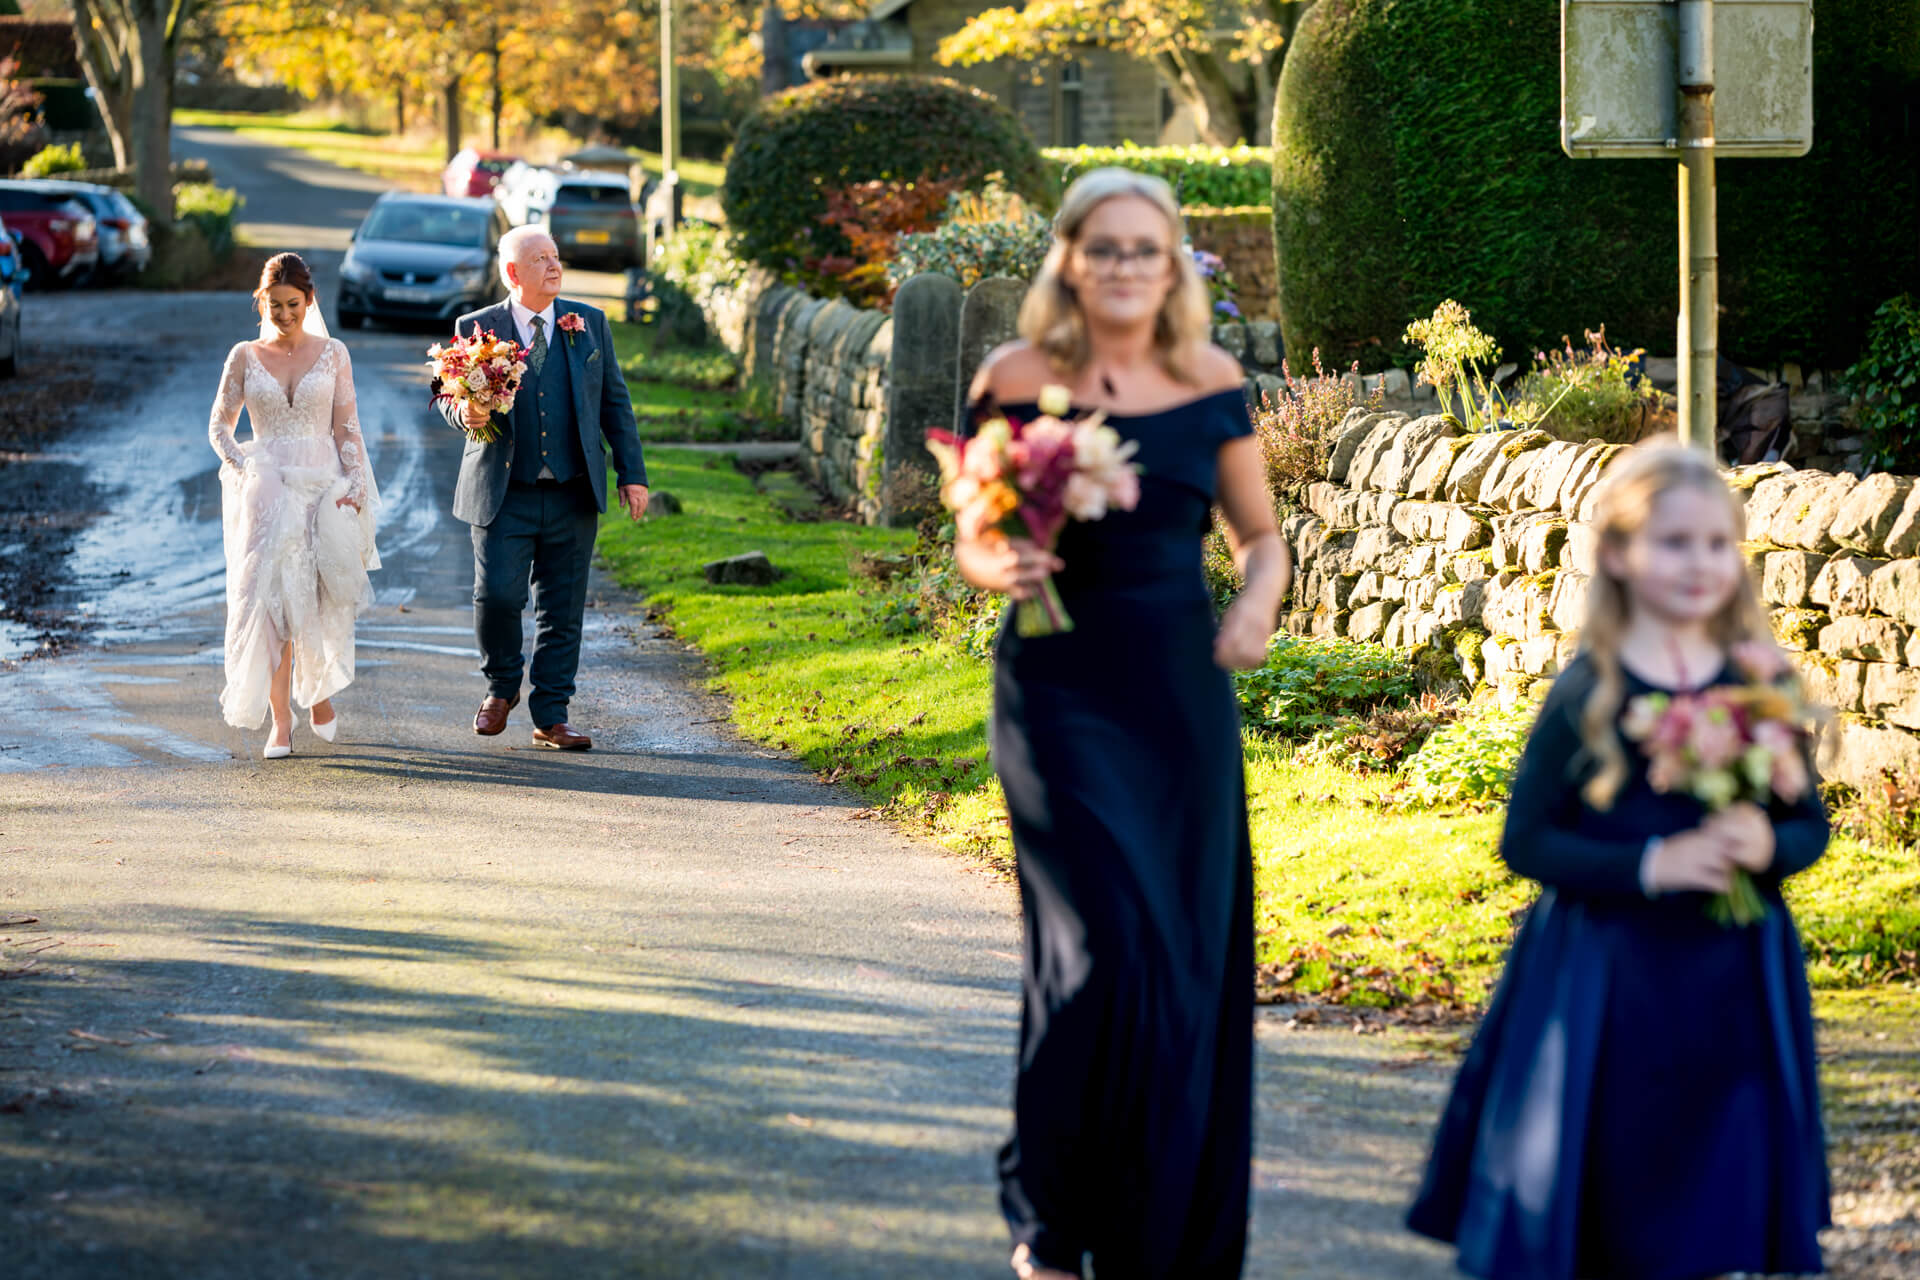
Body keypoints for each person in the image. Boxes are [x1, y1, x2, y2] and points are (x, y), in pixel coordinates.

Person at [956, 168, 1293, 1279]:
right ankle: (1052, 1221)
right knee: (1096, 949)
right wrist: (999, 558)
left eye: (1144, 249)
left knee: (1181, 957)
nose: (1123, 266)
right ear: (1069, 258)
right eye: (1103, 247)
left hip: (1177, 696)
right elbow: (973, 534)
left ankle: (1162, 1230)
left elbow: (1260, 536)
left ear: (1174, 264)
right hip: (1056, 688)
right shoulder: (1014, 378)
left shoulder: (1211, 380)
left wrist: (1254, 606)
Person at [1407, 440, 1830, 1279]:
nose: (1700, 563)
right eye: (1674, 543)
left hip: (1732, 974)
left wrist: (1769, 846)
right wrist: (1650, 865)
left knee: (1717, 1180)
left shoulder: (1759, 681)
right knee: (1614, 1178)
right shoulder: (1590, 691)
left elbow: (1807, 824)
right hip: (1608, 978)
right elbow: (1526, 840)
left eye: (1717, 543)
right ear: (1618, 553)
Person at [441, 226, 649, 750]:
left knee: (562, 608)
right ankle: (501, 687)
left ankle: (552, 715)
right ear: (513, 273)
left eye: (556, 256)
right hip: (502, 491)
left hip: (573, 492)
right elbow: (446, 391)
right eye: (540, 259)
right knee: (497, 596)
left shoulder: (590, 324)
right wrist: (464, 409)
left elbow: (614, 404)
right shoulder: (476, 326)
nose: (554, 266)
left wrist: (633, 473)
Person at [208, 252, 380, 759]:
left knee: (319, 597)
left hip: (321, 484)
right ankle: (280, 723)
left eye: (294, 305)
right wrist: (242, 466)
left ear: (310, 301)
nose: (284, 315)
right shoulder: (243, 355)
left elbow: (346, 426)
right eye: (275, 305)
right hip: (266, 490)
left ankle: (319, 693)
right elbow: (220, 425)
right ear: (261, 301)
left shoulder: (334, 353)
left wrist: (356, 481)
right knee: (271, 603)